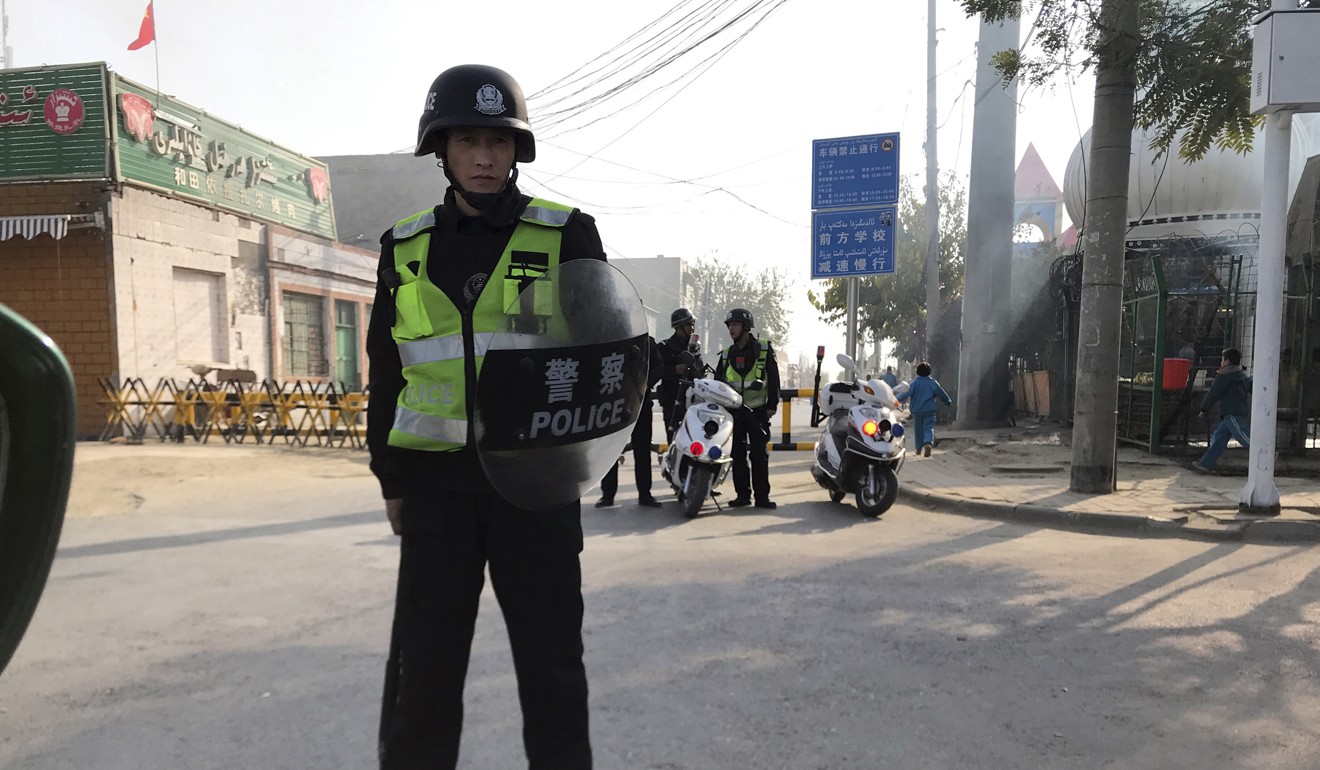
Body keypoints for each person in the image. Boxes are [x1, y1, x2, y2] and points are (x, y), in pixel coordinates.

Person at [366, 64, 600, 769]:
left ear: (516, 150)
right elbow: (387, 371)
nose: (484, 157)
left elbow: (603, 360)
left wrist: (576, 467)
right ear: (442, 148)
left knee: (553, 671)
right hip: (437, 493)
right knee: (424, 678)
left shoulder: (568, 235)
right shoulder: (402, 248)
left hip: (535, 490)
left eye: (499, 142)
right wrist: (391, 479)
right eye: (468, 140)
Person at [714, 308, 780, 509]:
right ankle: (742, 495)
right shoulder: (726, 355)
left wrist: (772, 405)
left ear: (745, 327)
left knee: (759, 455)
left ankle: (762, 498)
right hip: (734, 413)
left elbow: (774, 378)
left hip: (758, 411)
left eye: (734, 324)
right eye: (729, 325)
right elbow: (718, 384)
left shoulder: (763, 349)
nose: (731, 328)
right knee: (737, 454)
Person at [598, 335, 664, 508]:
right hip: (615, 403)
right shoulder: (612, 340)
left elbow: (658, 367)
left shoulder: (647, 342)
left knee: (642, 449)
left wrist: (646, 384)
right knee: (611, 450)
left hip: (640, 402)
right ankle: (608, 494)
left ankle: (645, 494)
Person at [1193, 347, 1252, 474]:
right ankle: (1205, 463)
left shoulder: (1223, 376)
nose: (1221, 362)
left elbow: (1213, 394)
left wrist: (1204, 408)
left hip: (1231, 412)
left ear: (1227, 361)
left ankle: (1264, 454)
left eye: (1222, 359)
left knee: (1244, 436)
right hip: (1234, 412)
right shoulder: (1242, 375)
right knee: (1219, 438)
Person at [657, 307, 700, 441]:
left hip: (692, 402)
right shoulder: (664, 347)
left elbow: (700, 370)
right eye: (688, 325)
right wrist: (674, 370)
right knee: (674, 439)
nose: (691, 328)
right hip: (671, 400)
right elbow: (657, 371)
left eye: (692, 324)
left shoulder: (694, 348)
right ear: (678, 327)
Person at [898, 361, 952, 458]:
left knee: (918, 430)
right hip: (929, 411)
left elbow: (905, 394)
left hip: (917, 411)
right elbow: (941, 394)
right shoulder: (933, 383)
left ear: (918, 372)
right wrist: (948, 401)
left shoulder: (915, 383)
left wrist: (895, 401)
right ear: (929, 372)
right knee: (928, 427)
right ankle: (928, 443)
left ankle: (918, 449)